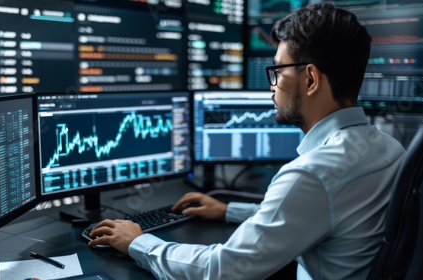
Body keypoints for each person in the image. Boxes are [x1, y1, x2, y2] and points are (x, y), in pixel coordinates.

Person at [88, 2, 406, 279]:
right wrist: (230, 210)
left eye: (278, 71)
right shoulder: (390, 149)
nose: (273, 87)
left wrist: (137, 242)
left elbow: (221, 271)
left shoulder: (312, 174)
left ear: (310, 79)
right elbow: (318, 215)